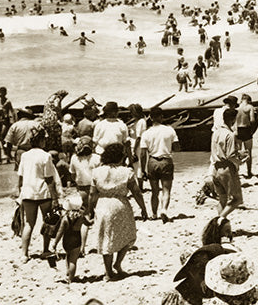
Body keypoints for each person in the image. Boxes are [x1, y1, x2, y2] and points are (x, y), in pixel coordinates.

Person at [89, 142, 147, 280]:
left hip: (102, 205)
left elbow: (92, 193)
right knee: (128, 235)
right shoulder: (127, 172)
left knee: (106, 240)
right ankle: (118, 263)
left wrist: (90, 210)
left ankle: (108, 272)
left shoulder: (96, 172)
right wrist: (143, 208)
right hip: (120, 205)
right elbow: (136, 192)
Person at [17, 131, 60, 262]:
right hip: (43, 192)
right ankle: (45, 250)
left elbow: (20, 177)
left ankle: (24, 254)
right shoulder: (46, 156)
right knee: (47, 222)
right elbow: (49, 179)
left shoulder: (24, 155)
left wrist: (19, 193)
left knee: (29, 223)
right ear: (41, 141)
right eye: (44, 140)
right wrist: (55, 198)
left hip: (28, 192)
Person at [208, 107, 248, 220]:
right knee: (237, 199)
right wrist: (241, 161)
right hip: (227, 169)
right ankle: (219, 219)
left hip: (216, 169)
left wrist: (238, 153)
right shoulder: (230, 134)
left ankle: (219, 224)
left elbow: (219, 150)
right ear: (233, 120)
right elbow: (230, 156)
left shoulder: (216, 133)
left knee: (223, 199)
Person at [141, 109, 178, 222]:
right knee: (166, 190)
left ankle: (154, 214)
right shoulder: (169, 130)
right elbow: (177, 147)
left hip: (152, 161)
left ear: (151, 118)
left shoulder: (146, 133)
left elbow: (143, 154)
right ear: (162, 117)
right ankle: (164, 210)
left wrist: (143, 170)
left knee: (154, 191)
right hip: (166, 161)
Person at [54, 192, 91, 284]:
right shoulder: (81, 217)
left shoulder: (65, 218)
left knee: (68, 255)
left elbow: (60, 232)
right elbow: (88, 223)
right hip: (77, 239)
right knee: (73, 261)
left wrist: (55, 243)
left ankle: (68, 272)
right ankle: (71, 278)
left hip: (66, 239)